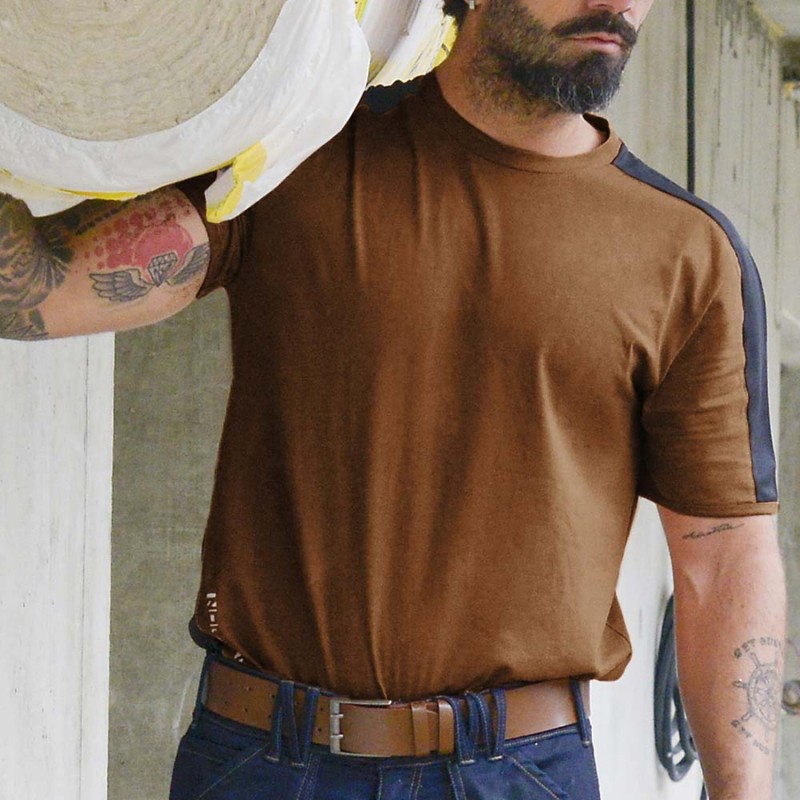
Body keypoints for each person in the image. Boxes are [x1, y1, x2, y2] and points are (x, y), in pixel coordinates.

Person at [0, 1, 787, 798]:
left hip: (519, 773)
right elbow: (39, 287)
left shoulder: (688, 253)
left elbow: (723, 557)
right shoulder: (297, 148)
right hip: (261, 761)